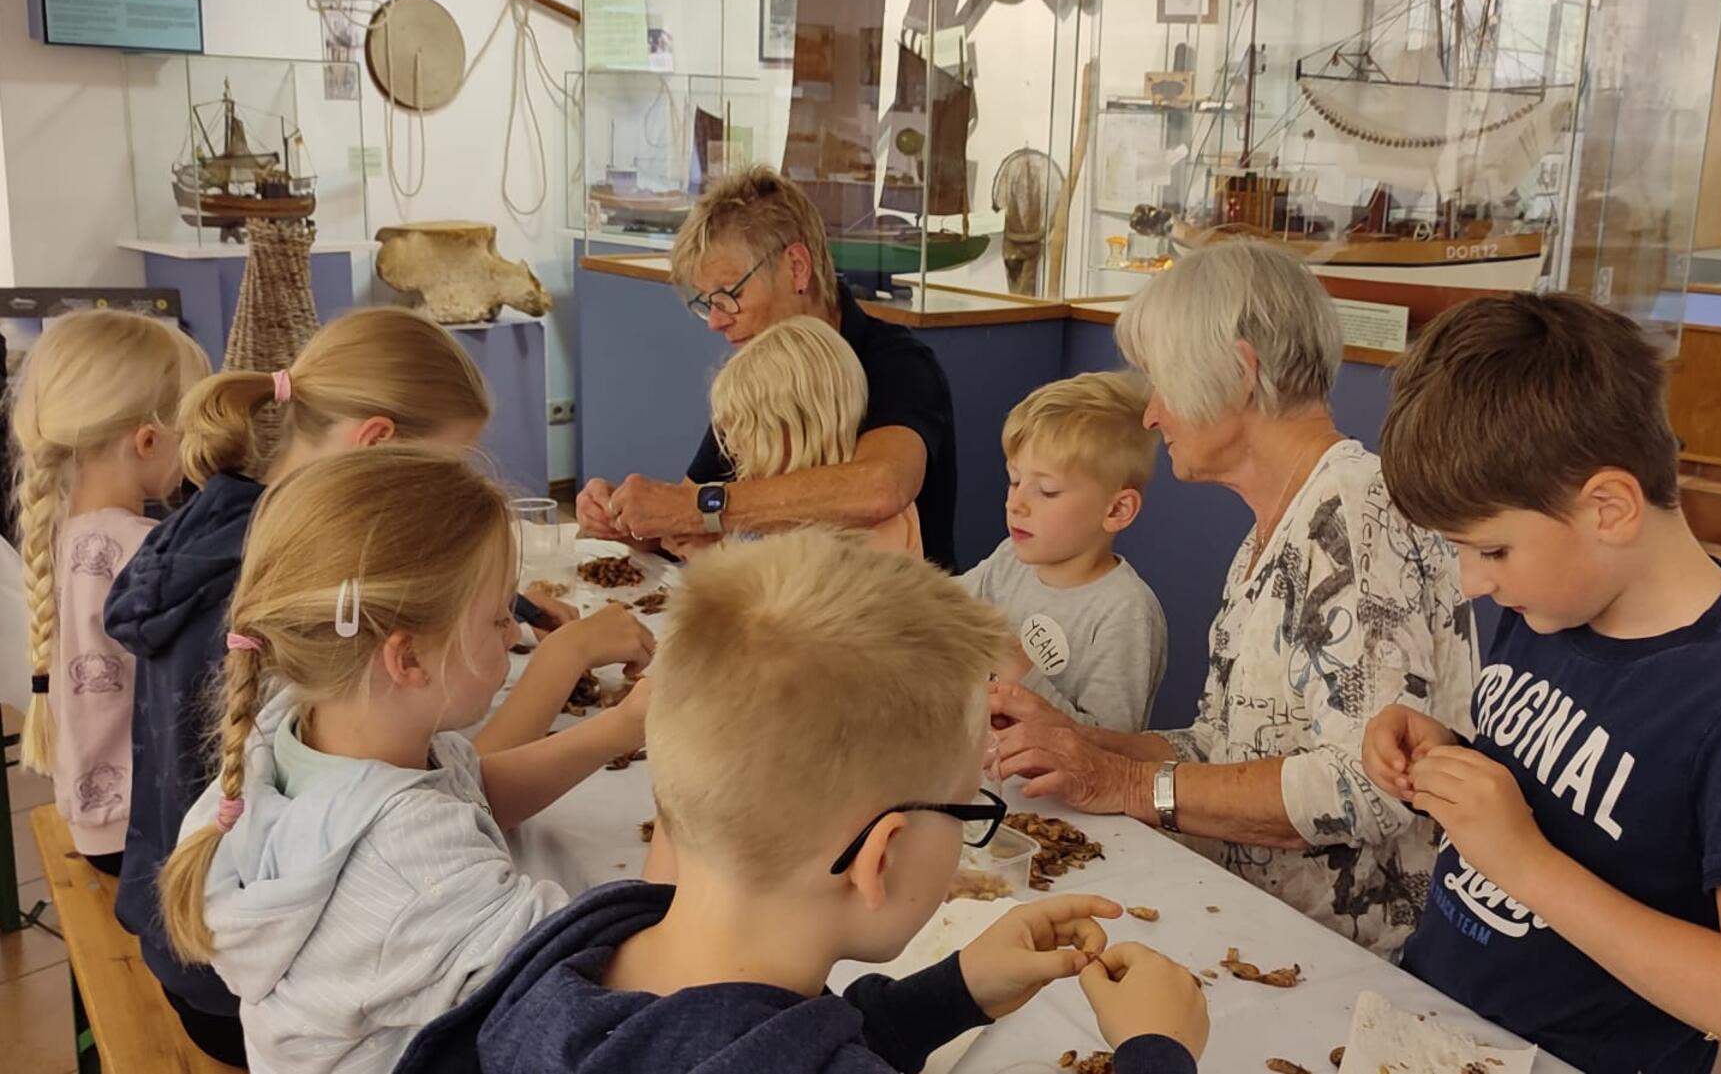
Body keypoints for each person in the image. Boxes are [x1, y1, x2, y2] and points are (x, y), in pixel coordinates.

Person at [393, 529, 1210, 1074]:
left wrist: (951, 991)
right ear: (880, 857)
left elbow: (757, 1038)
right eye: (967, 811)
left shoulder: (584, 946)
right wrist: (1156, 1048)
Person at [105, 308, 651, 1066]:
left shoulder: (301, 676)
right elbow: (605, 986)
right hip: (215, 995)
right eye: (496, 617)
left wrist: (612, 725)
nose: (509, 630)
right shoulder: (412, 860)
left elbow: (465, 782)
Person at [1363, 293, 1721, 1072]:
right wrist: (1448, 763)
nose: (1471, 582)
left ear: (1610, 508)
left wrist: (1524, 863)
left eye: (1490, 550)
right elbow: (1568, 796)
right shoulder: (1553, 602)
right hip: (1437, 1023)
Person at [992, 241, 1477, 956]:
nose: (1153, 414)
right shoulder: (1273, 528)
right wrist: (1076, 740)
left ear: (1240, 373)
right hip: (1251, 925)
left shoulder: (1353, 511)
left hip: (1344, 960)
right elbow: (1224, 748)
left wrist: (1126, 783)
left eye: (1162, 383)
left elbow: (1361, 788)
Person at [575, 166, 961, 570]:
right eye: (708, 302)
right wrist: (628, 518)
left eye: (728, 295)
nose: (715, 320)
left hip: (897, 617)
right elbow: (689, 513)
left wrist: (701, 508)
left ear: (796, 267)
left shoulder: (898, 365)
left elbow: (881, 487)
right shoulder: (758, 376)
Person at [7, 309, 209, 874]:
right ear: (147, 441)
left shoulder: (69, 532)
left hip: (99, 825)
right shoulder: (142, 547)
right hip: (147, 837)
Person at [960, 371, 1167, 732]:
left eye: (1047, 490)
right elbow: (944, 603)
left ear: (1116, 510)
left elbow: (1109, 744)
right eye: (1015, 480)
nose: (1016, 503)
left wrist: (1023, 674)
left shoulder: (1125, 611)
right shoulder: (1009, 560)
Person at [709, 315, 921, 554]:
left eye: (747, 429)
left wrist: (710, 562)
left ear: (797, 428)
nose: (734, 445)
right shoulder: (781, 513)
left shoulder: (870, 528)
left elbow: (784, 587)